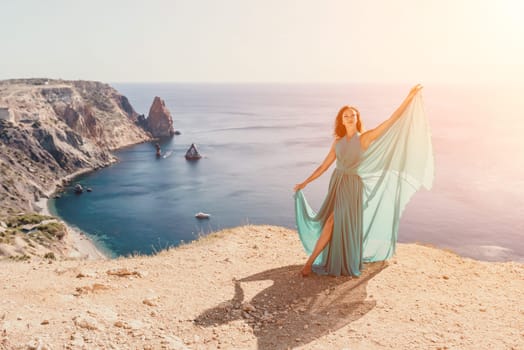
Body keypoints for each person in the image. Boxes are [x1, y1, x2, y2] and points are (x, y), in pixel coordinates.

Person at [294, 84, 434, 277]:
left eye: (353, 115)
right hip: (337, 183)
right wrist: (305, 182)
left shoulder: (365, 139)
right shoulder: (337, 142)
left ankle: (309, 263)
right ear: (341, 121)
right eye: (346, 116)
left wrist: (409, 98)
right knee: (334, 222)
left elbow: (391, 121)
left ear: (357, 118)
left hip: (352, 186)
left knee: (332, 221)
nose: (350, 118)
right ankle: (336, 259)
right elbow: (324, 166)